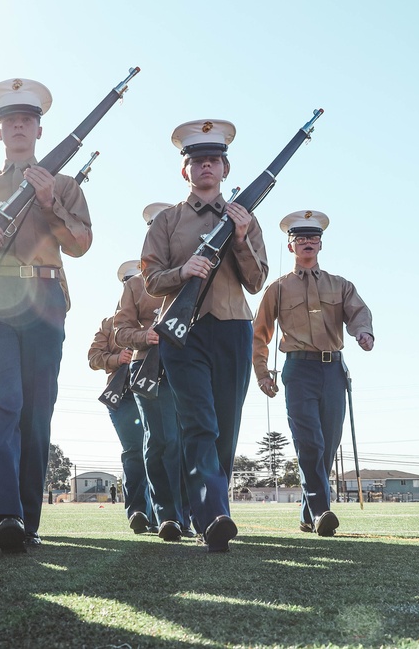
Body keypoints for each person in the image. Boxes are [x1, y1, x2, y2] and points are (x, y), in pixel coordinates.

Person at [0, 78, 92, 553]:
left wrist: (50, 202)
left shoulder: (65, 185)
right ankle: (6, 511)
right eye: (9, 120)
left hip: (45, 299)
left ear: (38, 130)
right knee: (0, 406)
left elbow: (80, 245)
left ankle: (26, 518)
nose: (18, 126)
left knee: (35, 412)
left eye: (26, 120)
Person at [140, 119, 268, 553]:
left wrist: (242, 236)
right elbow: (151, 280)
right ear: (186, 172)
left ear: (225, 169)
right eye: (198, 161)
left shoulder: (245, 220)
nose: (206, 167)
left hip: (233, 328)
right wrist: (184, 271)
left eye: (213, 160)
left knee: (225, 431)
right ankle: (214, 515)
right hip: (184, 333)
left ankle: (211, 509)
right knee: (199, 425)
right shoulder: (166, 221)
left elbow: (256, 280)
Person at [252, 210, 374, 537]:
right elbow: (260, 333)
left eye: (313, 238)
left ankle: (308, 515)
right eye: (300, 238)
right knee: (310, 443)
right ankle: (322, 511)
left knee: (328, 447)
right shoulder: (277, 289)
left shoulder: (341, 285)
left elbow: (358, 313)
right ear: (290, 246)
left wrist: (364, 333)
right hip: (298, 370)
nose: (307, 242)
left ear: (321, 244)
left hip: (334, 370)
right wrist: (263, 373)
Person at [115, 205, 193, 542]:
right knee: (161, 440)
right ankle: (167, 515)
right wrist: (142, 336)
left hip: (187, 362)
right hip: (149, 365)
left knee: (190, 441)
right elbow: (120, 330)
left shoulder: (197, 275)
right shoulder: (135, 286)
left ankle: (188, 514)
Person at [87, 271, 154, 535]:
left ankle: (162, 512)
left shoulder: (157, 317)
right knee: (135, 450)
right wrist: (117, 359)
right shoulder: (108, 324)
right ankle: (138, 511)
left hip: (152, 389)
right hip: (123, 395)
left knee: (160, 447)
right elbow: (93, 357)